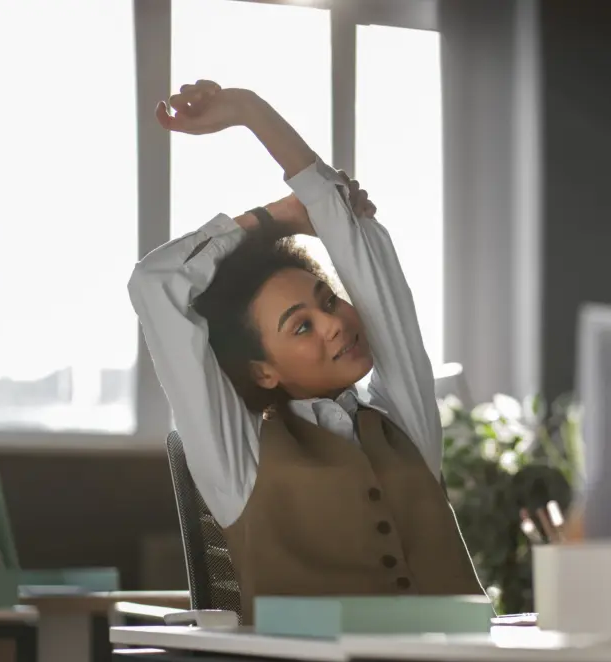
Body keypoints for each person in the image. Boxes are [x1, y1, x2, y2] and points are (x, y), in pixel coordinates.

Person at [128, 80, 486, 621]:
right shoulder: (236, 456)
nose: (335, 324)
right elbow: (156, 283)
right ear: (261, 370)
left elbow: (365, 254)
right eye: (301, 327)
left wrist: (251, 111)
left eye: (328, 301)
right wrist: (271, 220)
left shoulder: (403, 422)